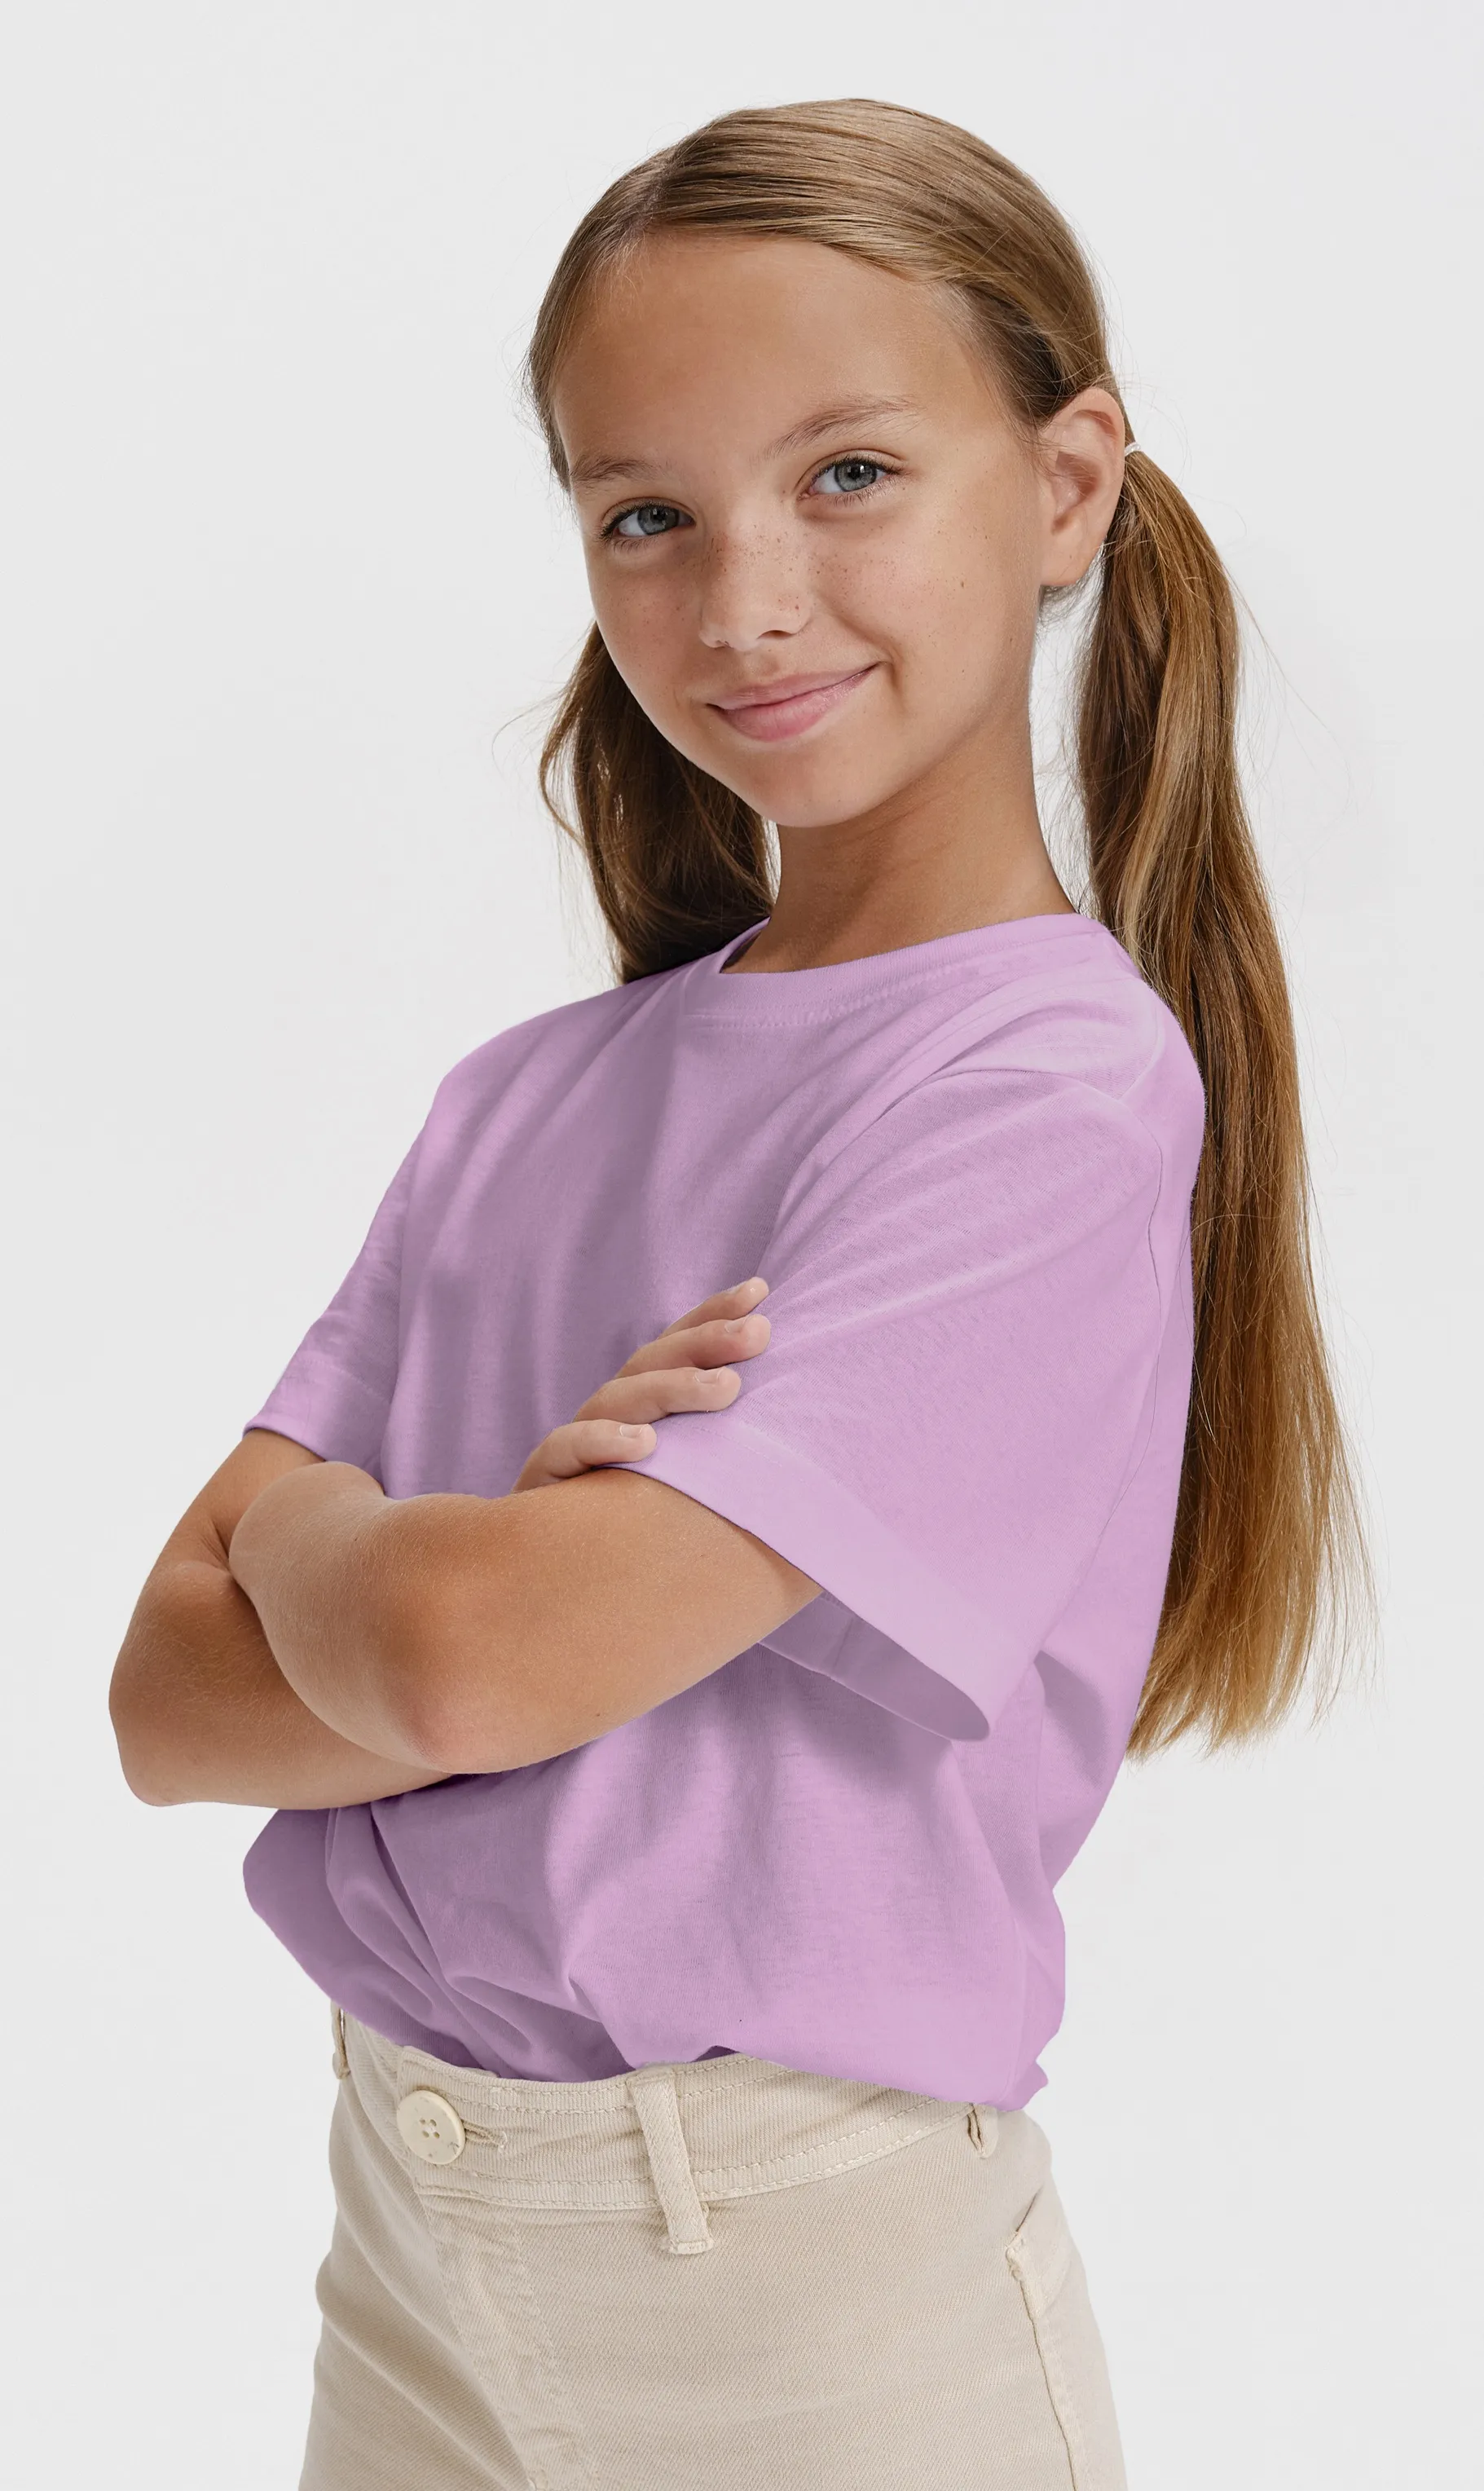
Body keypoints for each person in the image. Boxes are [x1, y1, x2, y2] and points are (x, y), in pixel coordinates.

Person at [109, 98, 1372, 2491]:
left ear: (1067, 486)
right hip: (412, 2214)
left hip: (787, 2275)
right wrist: (460, 1580)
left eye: (850, 475)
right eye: (646, 515)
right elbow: (163, 1705)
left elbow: (464, 1661)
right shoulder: (524, 1095)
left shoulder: (1043, 1084)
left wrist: (325, 1538)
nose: (744, 599)